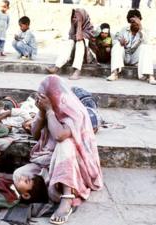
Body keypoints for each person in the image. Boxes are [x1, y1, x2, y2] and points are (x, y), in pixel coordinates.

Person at [13, 75, 103, 225]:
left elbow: (60, 135)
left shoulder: (75, 112)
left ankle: (67, 198)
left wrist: (49, 111)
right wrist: (42, 113)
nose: (41, 99)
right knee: (19, 174)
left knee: (65, 143)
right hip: (48, 160)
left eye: (45, 97)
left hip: (72, 163)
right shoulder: (46, 109)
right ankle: (53, 188)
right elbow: (35, 134)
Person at [106, 9, 156, 85]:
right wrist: (120, 42)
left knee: (146, 47)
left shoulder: (145, 30)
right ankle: (114, 73)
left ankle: (150, 76)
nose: (134, 23)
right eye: (132, 21)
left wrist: (140, 28)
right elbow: (115, 40)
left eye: (136, 21)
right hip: (124, 56)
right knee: (117, 45)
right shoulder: (123, 29)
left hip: (136, 58)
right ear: (129, 22)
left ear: (140, 20)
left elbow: (147, 42)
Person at [47, 8, 95, 80]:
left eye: (77, 17)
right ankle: (56, 67)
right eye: (73, 17)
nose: (74, 19)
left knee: (80, 42)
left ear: (83, 18)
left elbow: (79, 38)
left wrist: (79, 24)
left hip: (86, 57)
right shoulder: (73, 27)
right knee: (70, 42)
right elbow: (71, 39)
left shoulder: (90, 28)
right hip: (74, 55)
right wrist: (75, 25)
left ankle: (77, 71)